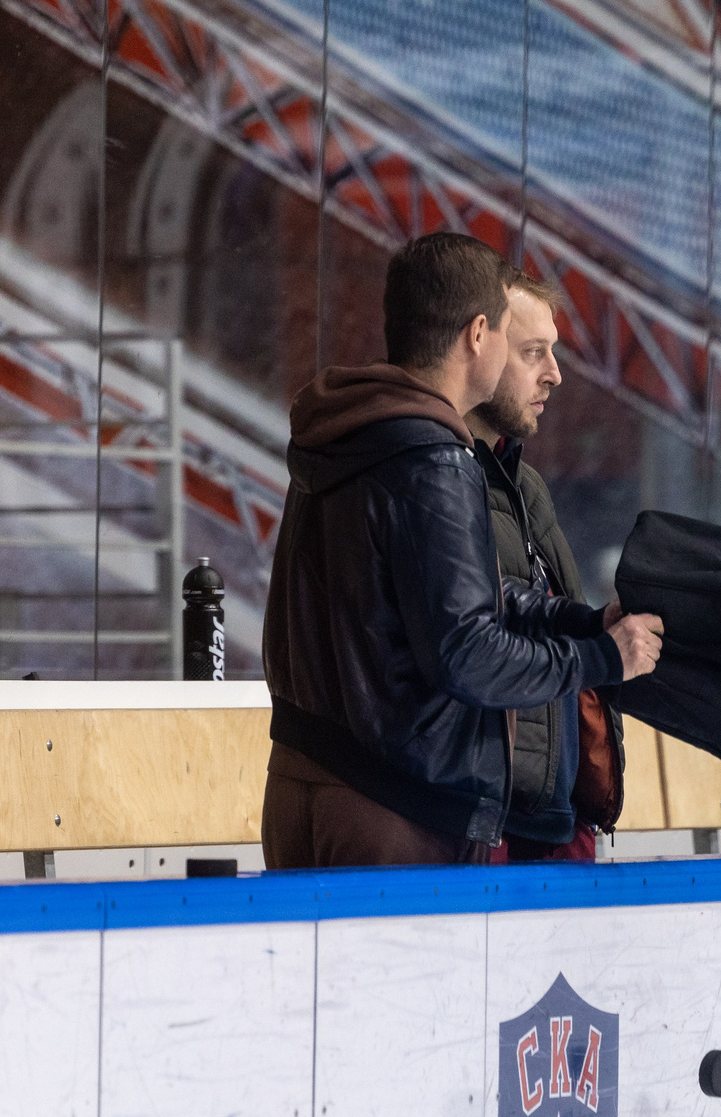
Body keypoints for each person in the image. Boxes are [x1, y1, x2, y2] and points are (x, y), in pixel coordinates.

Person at [261, 232, 663, 868]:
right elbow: (466, 651)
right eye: (514, 338)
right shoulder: (435, 456)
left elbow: (432, 594)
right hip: (395, 807)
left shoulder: (353, 431)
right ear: (479, 334)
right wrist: (601, 658)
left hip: (308, 784)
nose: (543, 370)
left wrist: (575, 620)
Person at [468, 274, 623, 863]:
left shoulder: (525, 483)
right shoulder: (435, 480)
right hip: (491, 824)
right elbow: (477, 635)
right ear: (477, 346)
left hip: (556, 818)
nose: (554, 374)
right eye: (534, 353)